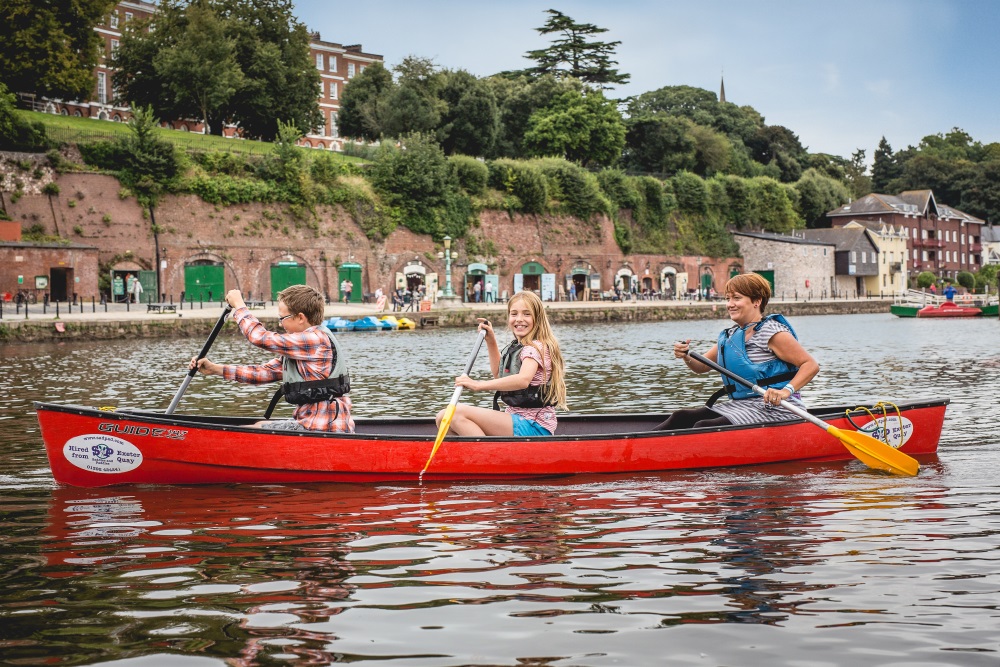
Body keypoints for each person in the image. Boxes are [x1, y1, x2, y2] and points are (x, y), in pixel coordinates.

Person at [654, 273, 819, 431]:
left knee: (704, 427)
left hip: (779, 409)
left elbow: (810, 365)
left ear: (756, 301)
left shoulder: (773, 333)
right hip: (741, 405)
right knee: (680, 417)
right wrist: (686, 355)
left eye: (737, 298)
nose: (730, 304)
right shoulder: (732, 336)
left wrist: (784, 391)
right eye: (728, 299)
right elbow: (701, 367)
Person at [191, 285, 355, 433]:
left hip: (322, 427)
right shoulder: (300, 350)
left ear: (300, 318)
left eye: (282, 318)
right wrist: (214, 369)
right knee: (255, 427)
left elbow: (260, 338)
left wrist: (239, 307)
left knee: (249, 432)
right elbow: (263, 373)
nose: (281, 324)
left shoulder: (315, 339)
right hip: (309, 423)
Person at [436, 290, 567, 437]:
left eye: (526, 314)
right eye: (514, 314)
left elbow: (523, 380)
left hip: (534, 426)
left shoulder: (535, 348)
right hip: (518, 420)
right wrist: (491, 339)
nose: (519, 319)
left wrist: (478, 385)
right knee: (442, 418)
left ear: (538, 318)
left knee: (454, 414)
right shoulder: (518, 347)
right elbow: (499, 374)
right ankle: (482, 455)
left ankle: (487, 456)